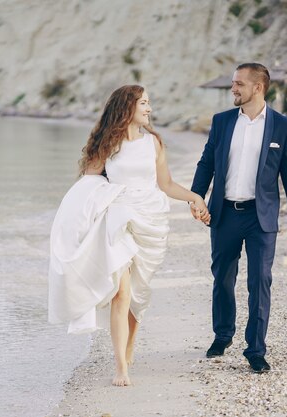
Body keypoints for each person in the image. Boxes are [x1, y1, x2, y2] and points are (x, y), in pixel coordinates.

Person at [48, 85, 208, 386]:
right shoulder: (109, 143)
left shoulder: (154, 143)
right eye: (144, 103)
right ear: (127, 107)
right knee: (120, 293)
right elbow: (88, 183)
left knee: (137, 295)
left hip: (150, 219)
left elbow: (167, 184)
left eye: (149, 103)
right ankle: (120, 366)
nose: (149, 108)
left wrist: (194, 198)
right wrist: (73, 223)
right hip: (118, 219)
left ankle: (129, 344)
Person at [190, 63, 287, 373]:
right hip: (224, 213)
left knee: (260, 281)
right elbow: (206, 164)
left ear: (258, 87)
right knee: (223, 278)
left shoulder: (283, 126)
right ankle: (222, 335)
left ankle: (255, 349)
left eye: (239, 84)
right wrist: (196, 196)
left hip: (261, 217)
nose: (233, 89)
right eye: (233, 83)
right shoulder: (222, 121)